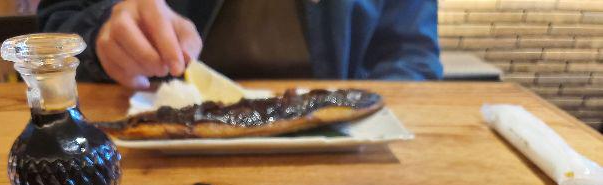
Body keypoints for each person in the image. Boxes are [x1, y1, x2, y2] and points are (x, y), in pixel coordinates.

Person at [37, 0, 442, 88]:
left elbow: (412, 56)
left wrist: (368, 113)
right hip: (155, 134)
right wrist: (102, 31)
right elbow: (61, 16)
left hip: (341, 149)